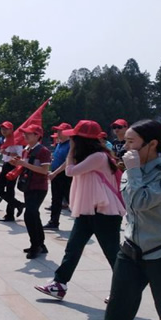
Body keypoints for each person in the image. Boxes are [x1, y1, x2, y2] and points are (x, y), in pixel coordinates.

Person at [101, 119, 161, 320]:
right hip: (131, 252)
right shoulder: (131, 172)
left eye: (131, 142)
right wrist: (133, 171)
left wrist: (133, 171)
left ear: (152, 144)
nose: (126, 147)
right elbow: (130, 205)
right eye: (125, 141)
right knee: (115, 315)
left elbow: (140, 202)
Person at [35, 120, 125, 299]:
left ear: (81, 140)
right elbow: (70, 168)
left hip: (105, 212)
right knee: (73, 248)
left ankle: (124, 291)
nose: (71, 140)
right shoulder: (90, 156)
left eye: (74, 138)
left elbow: (70, 171)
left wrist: (70, 151)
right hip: (89, 210)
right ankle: (59, 284)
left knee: (112, 253)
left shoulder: (98, 157)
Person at [10, 125, 52, 259]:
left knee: (30, 214)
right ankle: (40, 244)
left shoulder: (43, 151)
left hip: (39, 187)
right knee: (33, 215)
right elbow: (25, 167)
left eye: (28, 134)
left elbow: (44, 171)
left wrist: (24, 164)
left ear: (37, 135)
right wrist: (17, 164)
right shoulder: (26, 150)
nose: (25, 136)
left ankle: (36, 245)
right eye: (25, 133)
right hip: (28, 185)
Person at [44, 123, 73, 230]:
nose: (58, 133)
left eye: (60, 131)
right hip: (56, 175)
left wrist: (55, 173)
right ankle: (53, 221)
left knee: (71, 199)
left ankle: (86, 221)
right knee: (56, 199)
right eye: (58, 131)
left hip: (65, 175)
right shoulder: (60, 144)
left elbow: (68, 162)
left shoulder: (70, 145)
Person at [0, 121, 25, 221]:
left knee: (9, 190)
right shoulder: (5, 139)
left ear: (11, 130)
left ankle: (10, 214)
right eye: (2, 129)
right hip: (6, 165)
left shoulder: (16, 140)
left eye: (6, 129)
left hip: (12, 166)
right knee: (0, 190)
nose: (3, 130)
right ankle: (18, 205)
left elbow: (20, 156)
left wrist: (7, 153)